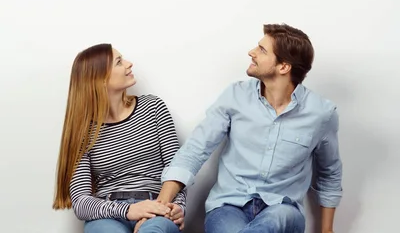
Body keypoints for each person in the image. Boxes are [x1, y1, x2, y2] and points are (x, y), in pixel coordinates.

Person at [158, 24, 342, 233]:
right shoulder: (235, 97)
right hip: (228, 208)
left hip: (282, 209)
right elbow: (196, 149)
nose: (251, 53)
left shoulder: (321, 114)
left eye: (262, 50)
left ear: (283, 67)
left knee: (281, 215)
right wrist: (161, 203)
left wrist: (327, 230)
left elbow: (330, 174)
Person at [53, 43, 186, 233]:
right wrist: (129, 210)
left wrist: (177, 208)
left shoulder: (153, 108)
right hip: (108, 214)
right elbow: (81, 202)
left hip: (157, 205)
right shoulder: (83, 132)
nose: (129, 64)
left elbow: (178, 170)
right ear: (100, 79)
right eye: (119, 62)